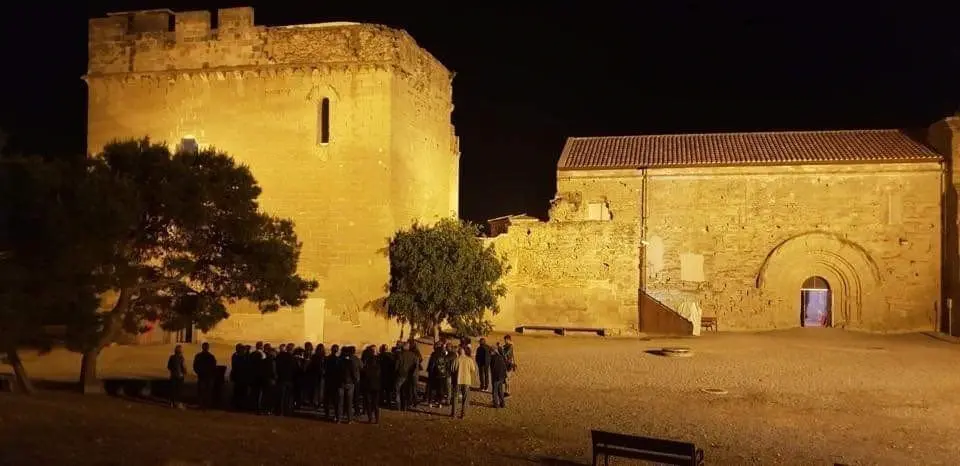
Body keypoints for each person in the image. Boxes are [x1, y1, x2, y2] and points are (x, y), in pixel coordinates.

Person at [450, 346, 478, 419]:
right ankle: (463, 414)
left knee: (455, 397)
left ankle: (454, 414)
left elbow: (452, 369)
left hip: (457, 381)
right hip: (466, 381)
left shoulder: (456, 359)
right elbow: (473, 370)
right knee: (465, 398)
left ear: (458, 352)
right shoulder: (469, 360)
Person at [338, 346, 360, 423]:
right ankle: (349, 419)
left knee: (340, 402)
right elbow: (354, 374)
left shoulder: (339, 361)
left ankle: (339, 419)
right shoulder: (350, 362)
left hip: (340, 383)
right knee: (349, 402)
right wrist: (355, 381)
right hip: (350, 384)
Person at [192, 342, 218, 409]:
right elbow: (195, 365)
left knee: (205, 391)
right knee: (204, 391)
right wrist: (199, 372)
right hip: (203, 376)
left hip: (206, 376)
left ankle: (204, 405)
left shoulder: (209, 356)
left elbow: (213, 367)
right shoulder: (204, 356)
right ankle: (203, 404)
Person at [360, 345, 382, 424]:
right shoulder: (379, 361)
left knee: (368, 403)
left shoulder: (366, 362)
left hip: (368, 385)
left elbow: (363, 373)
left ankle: (370, 419)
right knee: (375, 404)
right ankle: (377, 420)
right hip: (376, 385)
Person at [395, 342, 418, 411]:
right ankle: (405, 406)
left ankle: (398, 406)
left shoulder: (400, 355)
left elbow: (396, 366)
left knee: (397, 391)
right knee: (406, 391)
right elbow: (416, 365)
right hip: (409, 376)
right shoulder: (413, 355)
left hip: (401, 375)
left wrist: (396, 373)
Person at [167, 345, 187, 409]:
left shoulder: (171, 357)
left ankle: (171, 403)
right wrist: (185, 372)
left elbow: (169, 366)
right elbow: (183, 367)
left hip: (173, 375)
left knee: (173, 390)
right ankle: (178, 403)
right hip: (180, 376)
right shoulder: (181, 358)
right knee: (179, 391)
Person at [324, 344, 341, 419]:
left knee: (327, 399)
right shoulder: (338, 360)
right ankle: (335, 415)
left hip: (328, 381)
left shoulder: (327, 358)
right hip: (335, 382)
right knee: (335, 400)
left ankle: (327, 414)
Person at [229, 344, 248, 410]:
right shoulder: (238, 356)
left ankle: (238, 406)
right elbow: (237, 366)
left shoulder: (237, 356)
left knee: (239, 393)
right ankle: (237, 406)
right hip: (240, 377)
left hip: (240, 377)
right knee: (239, 393)